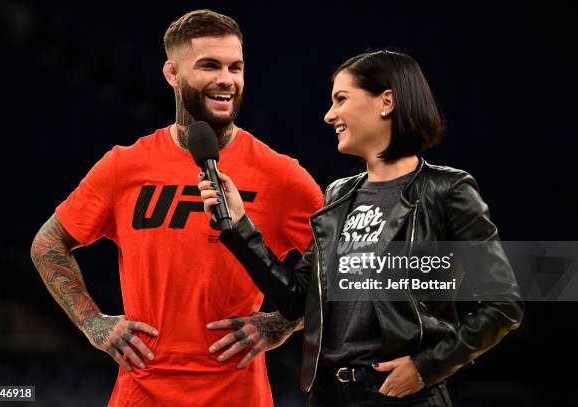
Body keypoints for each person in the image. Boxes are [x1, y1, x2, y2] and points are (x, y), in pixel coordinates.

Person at [30, 9, 323, 407]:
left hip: (237, 395)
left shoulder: (281, 175)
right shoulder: (124, 166)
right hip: (141, 394)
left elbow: (342, 267)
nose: (226, 80)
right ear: (172, 73)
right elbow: (48, 244)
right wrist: (93, 323)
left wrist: (280, 323)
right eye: (209, 65)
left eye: (235, 67)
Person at [197, 50, 524, 406]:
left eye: (341, 99)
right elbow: (296, 300)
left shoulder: (448, 190)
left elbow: (503, 305)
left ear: (386, 102)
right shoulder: (338, 194)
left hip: (405, 396)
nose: (329, 115)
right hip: (329, 395)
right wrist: (239, 225)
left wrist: (425, 367)